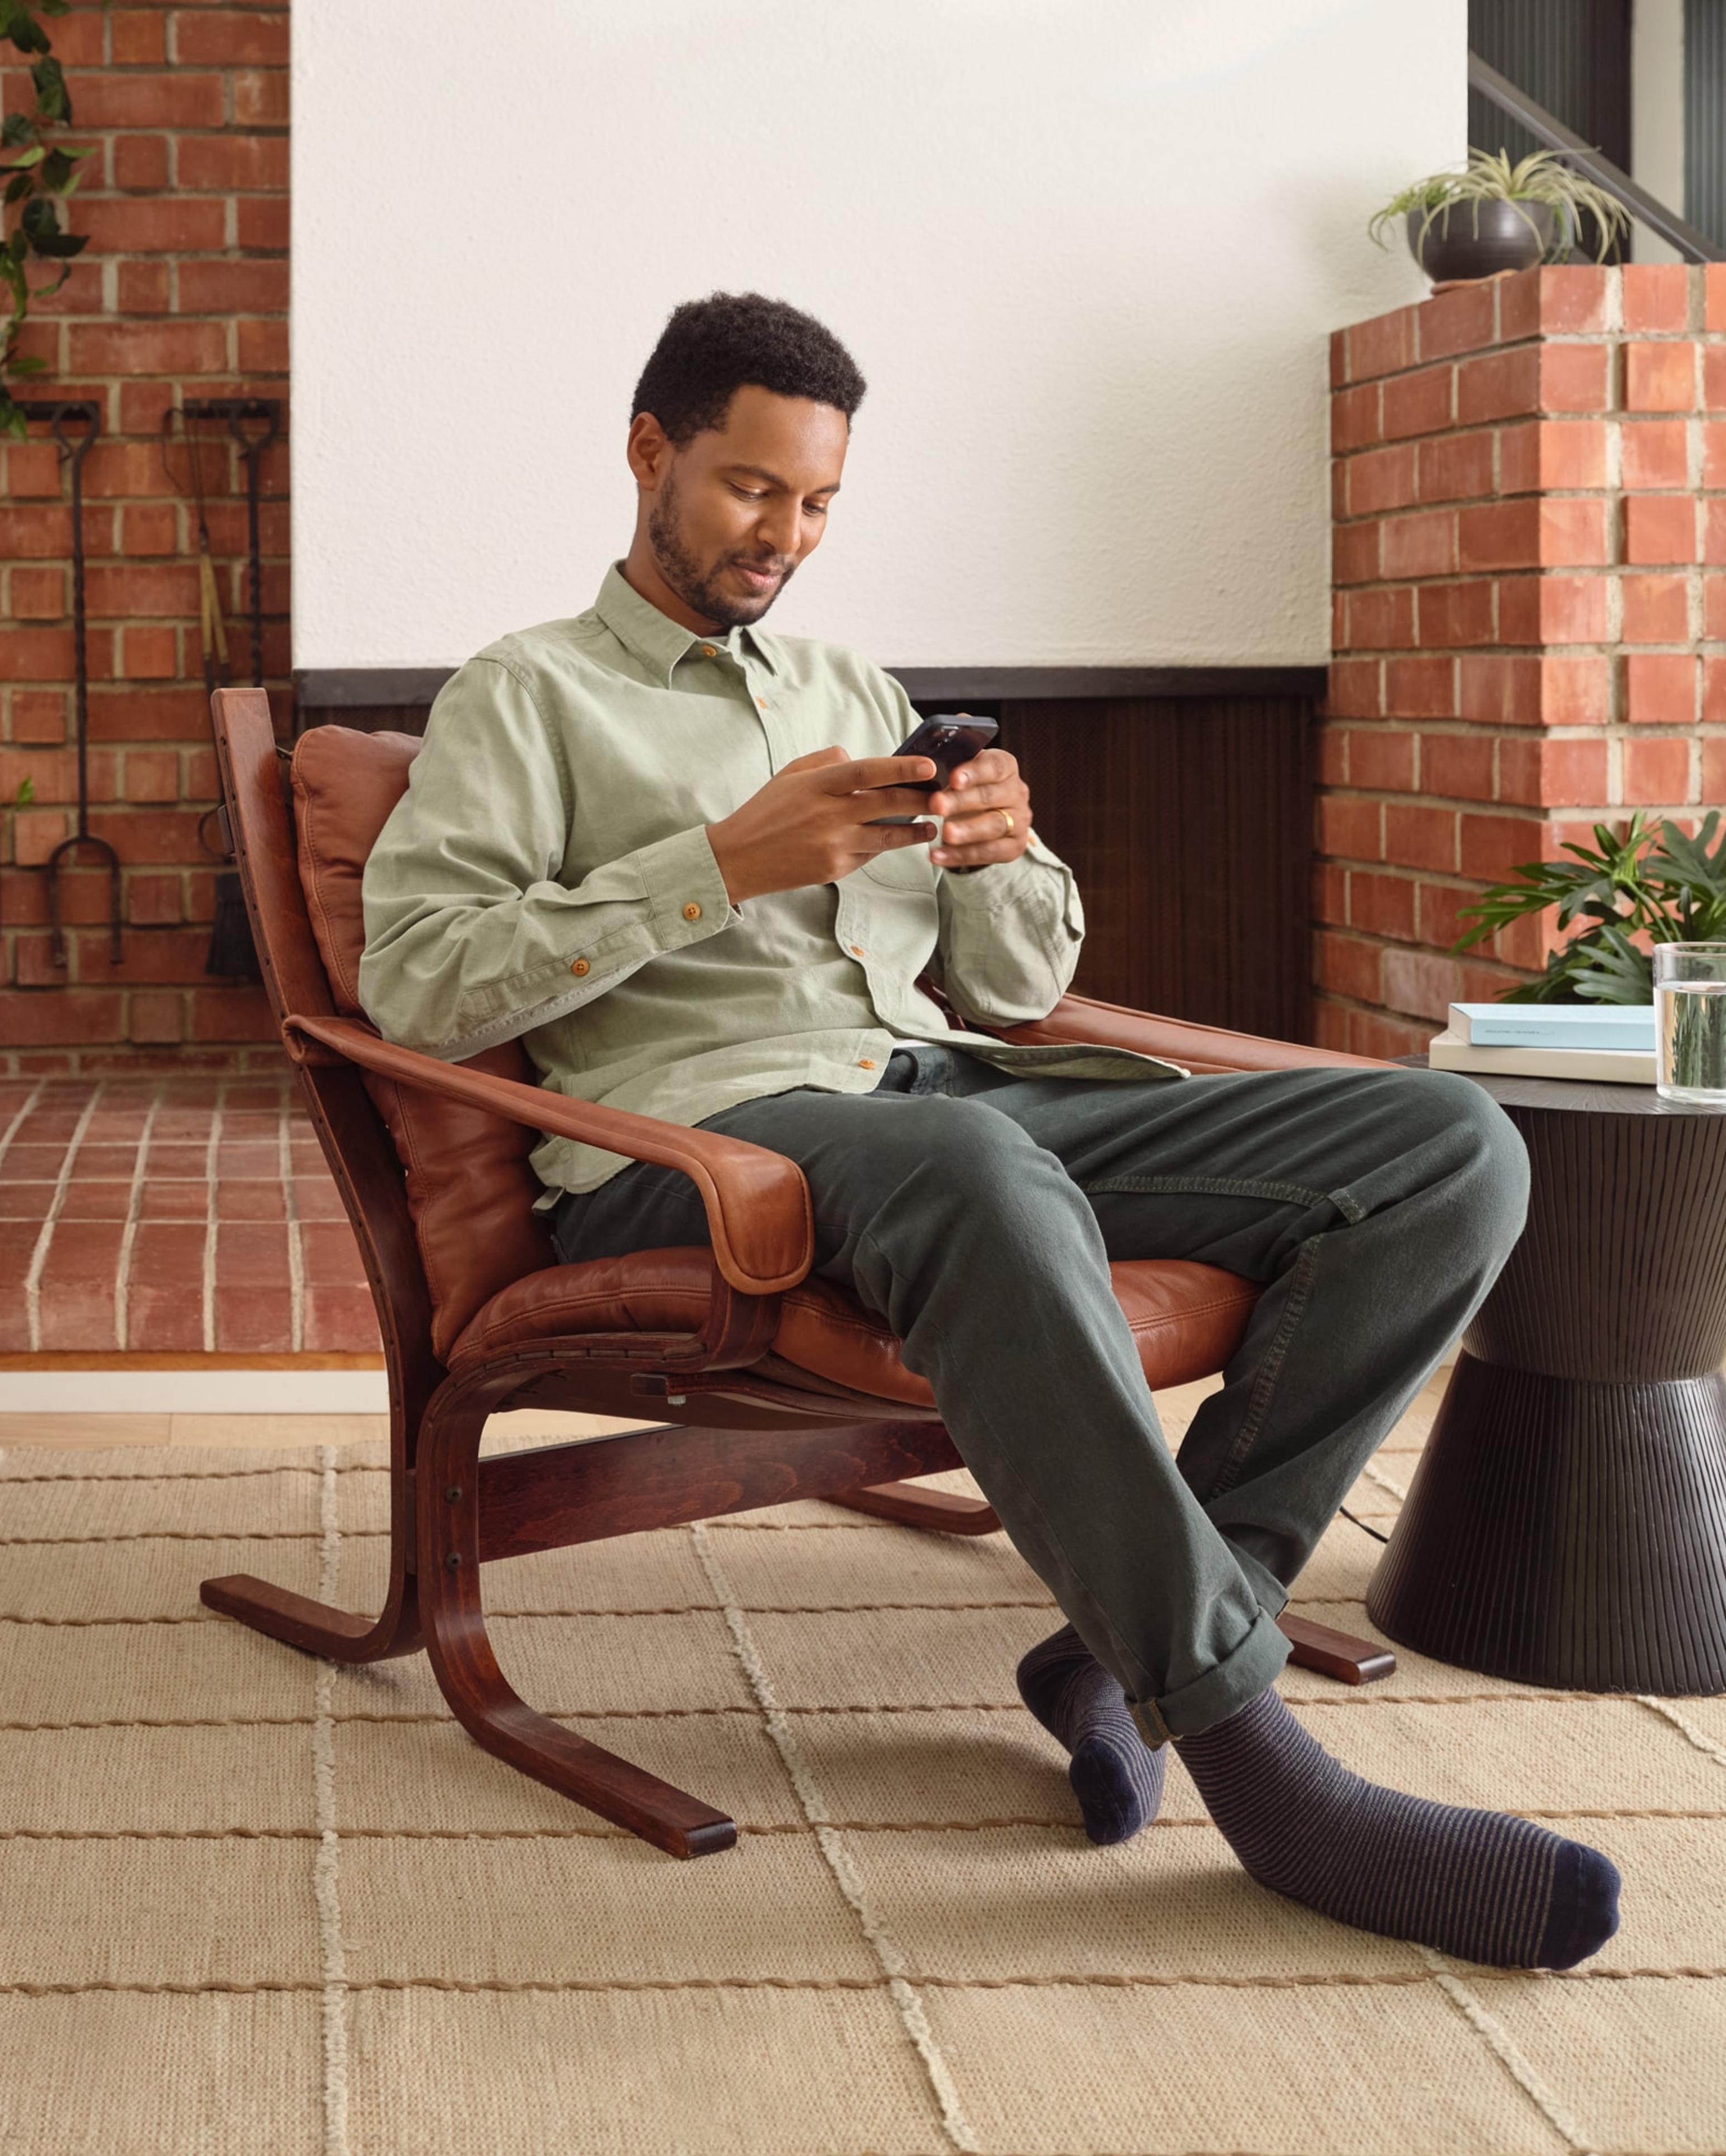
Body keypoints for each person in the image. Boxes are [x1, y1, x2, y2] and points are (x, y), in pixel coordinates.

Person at [359, 291, 1621, 1971]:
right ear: (651, 452)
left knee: (1450, 1145)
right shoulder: (524, 697)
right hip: (697, 1161)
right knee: (974, 1161)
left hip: (948, 1100)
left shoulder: (846, 681)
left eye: (816, 504)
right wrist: (720, 865)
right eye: (751, 490)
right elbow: (418, 987)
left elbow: (1019, 984)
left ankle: (1118, 1649)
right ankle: (1259, 1764)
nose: (784, 538)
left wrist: (1004, 857)